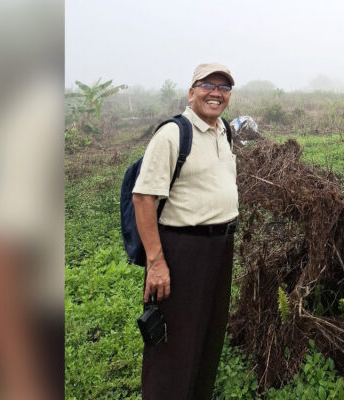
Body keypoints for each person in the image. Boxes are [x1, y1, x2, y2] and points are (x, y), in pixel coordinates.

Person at [132, 62, 238, 400]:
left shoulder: (225, 132)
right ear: (191, 92)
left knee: (208, 336)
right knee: (173, 344)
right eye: (208, 85)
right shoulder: (173, 134)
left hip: (219, 250)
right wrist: (157, 261)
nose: (216, 93)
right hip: (182, 252)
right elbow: (143, 197)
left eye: (223, 88)